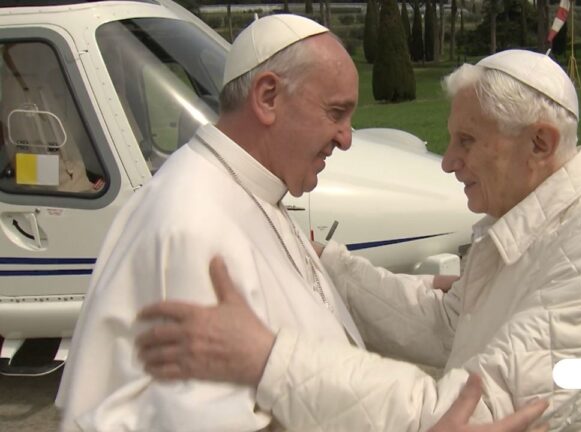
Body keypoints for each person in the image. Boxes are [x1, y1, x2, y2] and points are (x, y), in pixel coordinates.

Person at [137, 50, 581, 431]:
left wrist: (269, 360)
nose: (448, 161)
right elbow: (450, 329)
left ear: (539, 143)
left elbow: (467, 413)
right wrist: (328, 264)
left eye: (466, 140)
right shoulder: (534, 222)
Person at [54, 14, 548, 432]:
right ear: (268, 97)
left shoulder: (247, 189)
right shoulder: (192, 226)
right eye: (336, 113)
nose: (346, 139)